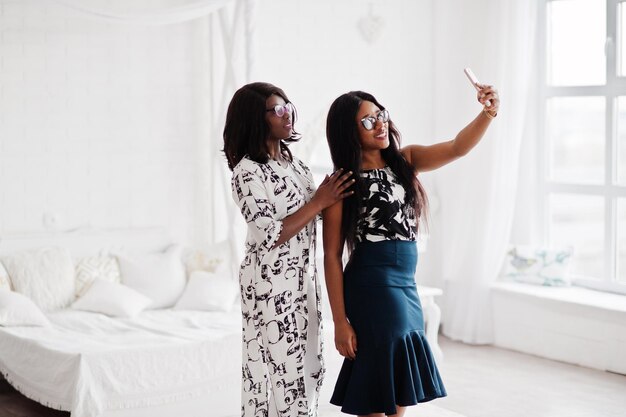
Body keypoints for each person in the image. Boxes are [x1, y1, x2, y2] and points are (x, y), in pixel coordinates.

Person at [323, 85, 500, 417]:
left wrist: (487, 113)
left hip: (405, 282)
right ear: (349, 132)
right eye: (367, 121)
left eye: (381, 115)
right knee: (377, 377)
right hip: (371, 283)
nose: (380, 125)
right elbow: (331, 255)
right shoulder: (343, 181)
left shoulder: (406, 160)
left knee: (398, 372)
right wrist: (339, 322)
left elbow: (458, 147)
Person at [223, 82, 354, 417]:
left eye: (288, 106)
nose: (288, 114)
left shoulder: (294, 164)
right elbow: (268, 234)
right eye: (277, 110)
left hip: (302, 281)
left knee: (309, 366)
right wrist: (319, 202)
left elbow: (314, 214)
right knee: (277, 372)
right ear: (256, 119)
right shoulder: (247, 172)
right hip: (269, 285)